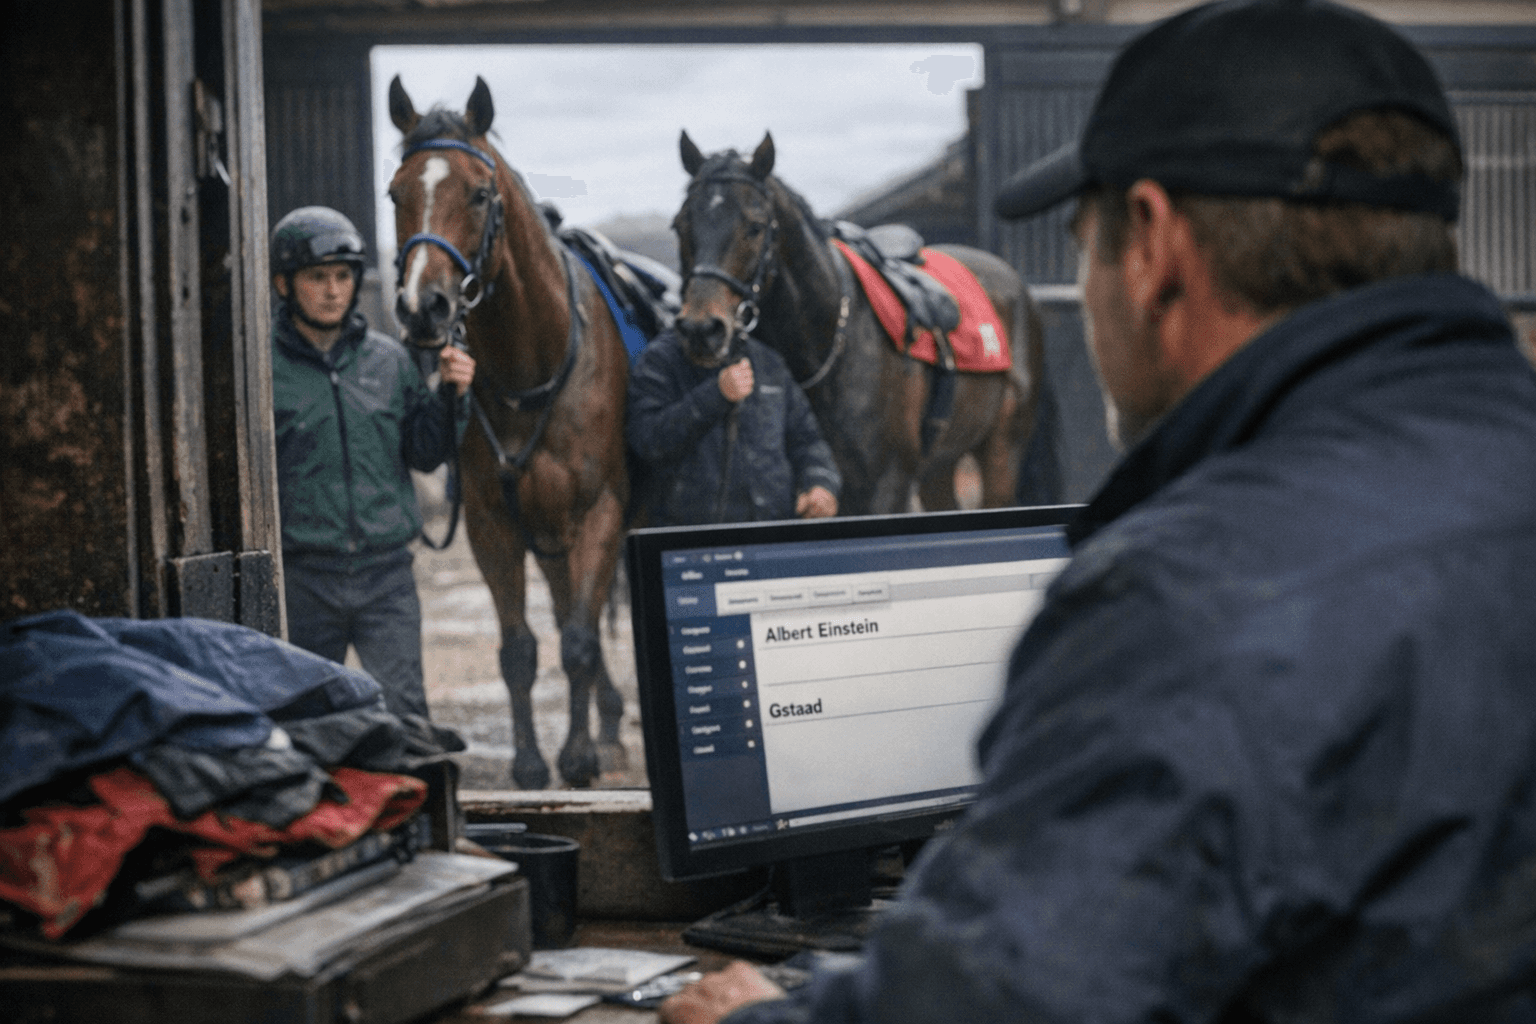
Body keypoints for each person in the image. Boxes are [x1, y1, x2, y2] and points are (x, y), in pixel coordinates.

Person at [661, 2, 1536, 1022]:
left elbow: (992, 1000)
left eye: (1082, 242)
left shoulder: (1190, 596)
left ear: (1154, 248)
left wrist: (759, 1018)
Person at [269, 206, 475, 721]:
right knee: (310, 721)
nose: (333, 290)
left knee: (405, 714)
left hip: (386, 576)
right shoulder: (261, 370)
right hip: (303, 578)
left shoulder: (389, 362)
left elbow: (426, 453)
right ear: (283, 283)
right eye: (317, 277)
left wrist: (453, 396)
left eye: (343, 276)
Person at [627, 330, 840, 526]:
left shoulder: (769, 362)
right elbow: (647, 440)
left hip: (773, 536)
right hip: (693, 542)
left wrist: (820, 484)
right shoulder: (660, 360)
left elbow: (807, 439)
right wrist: (715, 396)